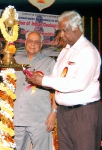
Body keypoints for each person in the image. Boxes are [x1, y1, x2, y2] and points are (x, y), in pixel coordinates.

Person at [26, 11, 102, 150]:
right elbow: (56, 79)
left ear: (76, 28)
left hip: (83, 112)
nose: (61, 35)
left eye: (64, 30)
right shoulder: (65, 51)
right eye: (60, 30)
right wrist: (40, 77)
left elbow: (79, 83)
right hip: (64, 112)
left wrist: (44, 81)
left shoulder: (88, 51)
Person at [13, 31, 57, 150]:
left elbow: (57, 89)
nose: (33, 44)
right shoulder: (15, 60)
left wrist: (53, 113)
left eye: (36, 42)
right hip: (18, 117)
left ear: (41, 45)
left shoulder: (49, 62)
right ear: (25, 42)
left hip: (40, 118)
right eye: (30, 41)